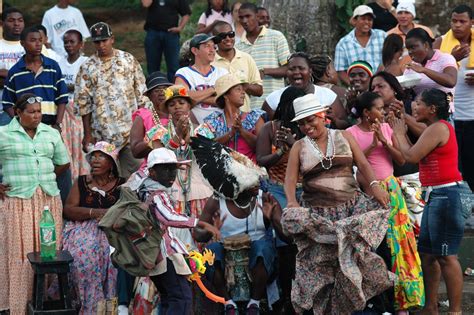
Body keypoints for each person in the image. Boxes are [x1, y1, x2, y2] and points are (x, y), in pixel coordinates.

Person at [282, 93, 393, 314]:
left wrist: (375, 186)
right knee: (324, 271)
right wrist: (292, 202)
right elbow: (290, 180)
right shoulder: (299, 147)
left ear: (323, 115)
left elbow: (362, 163)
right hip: (319, 218)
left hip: (350, 211)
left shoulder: (343, 136)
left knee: (355, 266)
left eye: (311, 119)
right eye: (302, 123)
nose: (307, 126)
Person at [392, 88, 472, 315]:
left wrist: (398, 133)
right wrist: (401, 122)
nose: (414, 106)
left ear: (432, 109)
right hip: (435, 195)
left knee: (446, 257)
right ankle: (430, 307)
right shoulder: (432, 128)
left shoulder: (438, 128)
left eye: (418, 103)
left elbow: (410, 157)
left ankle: (455, 311)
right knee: (428, 255)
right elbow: (413, 147)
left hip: (447, 196)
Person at [347, 92, 424, 312]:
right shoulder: (349, 133)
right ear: (365, 112)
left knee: (398, 246)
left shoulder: (387, 128)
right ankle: (378, 303)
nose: (383, 112)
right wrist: (371, 145)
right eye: (379, 108)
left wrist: (384, 141)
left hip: (391, 192)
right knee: (375, 249)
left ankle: (402, 303)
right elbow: (353, 162)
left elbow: (401, 159)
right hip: (366, 194)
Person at [190, 134, 282, 315]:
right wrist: (211, 230)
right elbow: (198, 235)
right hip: (227, 252)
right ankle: (228, 303)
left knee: (262, 247)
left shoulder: (265, 199)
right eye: (252, 181)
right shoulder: (217, 201)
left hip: (259, 256)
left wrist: (272, 219)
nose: (258, 184)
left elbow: (286, 235)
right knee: (211, 251)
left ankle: (254, 304)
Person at [127, 148, 221, 315]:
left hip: (155, 253)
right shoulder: (155, 193)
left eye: (173, 169)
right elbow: (168, 217)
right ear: (153, 172)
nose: (171, 174)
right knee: (181, 297)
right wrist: (201, 223)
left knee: (170, 296)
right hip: (164, 253)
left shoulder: (143, 187)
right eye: (166, 169)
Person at [0, 93, 70, 314]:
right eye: (31, 112)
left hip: (48, 201)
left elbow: (63, 163)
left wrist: (43, 179)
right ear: (18, 113)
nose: (37, 116)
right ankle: (18, 305)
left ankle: (45, 303)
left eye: (39, 111)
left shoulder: (50, 133)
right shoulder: (3, 134)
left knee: (47, 252)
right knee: (19, 252)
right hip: (17, 202)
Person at [255, 86, 306, 314]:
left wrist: (295, 144)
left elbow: (313, 160)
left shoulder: (307, 128)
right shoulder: (269, 128)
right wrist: (280, 151)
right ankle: (285, 296)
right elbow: (262, 159)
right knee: (285, 243)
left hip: (306, 190)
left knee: (304, 243)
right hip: (278, 189)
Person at [76, 22, 148, 179]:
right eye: (97, 42)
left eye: (104, 40)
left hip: (130, 132)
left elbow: (141, 94)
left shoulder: (128, 60)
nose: (101, 45)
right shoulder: (87, 67)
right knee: (107, 178)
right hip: (102, 134)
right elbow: (83, 103)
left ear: (112, 39)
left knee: (136, 176)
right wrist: (87, 134)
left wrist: (145, 126)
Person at [62, 141, 124, 313]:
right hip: (83, 228)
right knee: (85, 257)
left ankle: (113, 307)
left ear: (111, 163)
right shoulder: (82, 182)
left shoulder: (122, 184)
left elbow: (128, 211)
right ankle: (89, 306)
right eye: (93, 156)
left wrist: (111, 217)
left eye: (101, 156)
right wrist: (94, 212)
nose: (95, 160)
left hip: (113, 229)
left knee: (114, 259)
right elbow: (68, 209)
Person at [145, 85, 214, 216]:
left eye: (181, 103)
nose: (177, 107)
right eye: (172, 104)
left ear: (189, 106)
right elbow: (160, 161)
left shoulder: (202, 130)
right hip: (170, 189)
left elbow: (208, 158)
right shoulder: (159, 132)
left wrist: (190, 139)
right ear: (168, 110)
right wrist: (177, 136)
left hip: (200, 188)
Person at [2, 26, 68, 128]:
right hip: (25, 129)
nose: (38, 44)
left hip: (50, 126)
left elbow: (62, 97)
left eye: (40, 40)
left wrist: (58, 124)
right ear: (22, 43)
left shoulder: (53, 66)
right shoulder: (15, 72)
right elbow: (7, 103)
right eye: (33, 40)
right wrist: (19, 122)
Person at [236, 2, 290, 109]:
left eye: (248, 16)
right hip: (249, 107)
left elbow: (289, 69)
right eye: (241, 18)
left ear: (257, 17)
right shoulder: (237, 47)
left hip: (275, 105)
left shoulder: (276, 36)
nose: (244, 21)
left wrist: (264, 71)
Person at [262, 53, 340, 125]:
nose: (296, 72)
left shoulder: (328, 95)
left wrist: (334, 120)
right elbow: (265, 129)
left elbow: (345, 125)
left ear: (310, 71)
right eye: (292, 69)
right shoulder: (273, 99)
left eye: (301, 68)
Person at [204, 73, 265, 162]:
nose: (243, 92)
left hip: (251, 172)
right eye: (238, 89)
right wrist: (231, 133)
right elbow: (207, 148)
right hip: (222, 173)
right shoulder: (212, 121)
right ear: (225, 95)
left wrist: (242, 131)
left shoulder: (255, 117)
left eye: (243, 89)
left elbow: (263, 147)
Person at [446, 5, 474, 191]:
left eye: (462, 21)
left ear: (472, 23)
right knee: (457, 168)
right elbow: (431, 72)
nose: (457, 25)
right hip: (452, 117)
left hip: (473, 117)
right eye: (454, 21)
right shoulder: (442, 43)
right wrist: (450, 58)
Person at [175, 33, 228, 123]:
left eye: (214, 47)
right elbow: (180, 100)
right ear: (195, 50)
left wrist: (193, 98)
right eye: (207, 46)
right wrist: (213, 89)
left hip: (222, 126)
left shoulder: (223, 72)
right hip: (195, 127)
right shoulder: (183, 73)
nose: (212, 50)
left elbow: (227, 101)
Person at [58, 29, 89, 180]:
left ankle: (82, 180)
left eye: (72, 42)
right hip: (63, 113)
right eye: (66, 42)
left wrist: (67, 87)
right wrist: (73, 86)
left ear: (81, 44)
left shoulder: (87, 63)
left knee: (80, 149)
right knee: (67, 148)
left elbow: (87, 87)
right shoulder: (59, 63)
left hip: (80, 113)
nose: (68, 45)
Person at [212, 21, 262, 113]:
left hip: (244, 115)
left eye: (231, 34)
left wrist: (243, 85)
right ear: (215, 40)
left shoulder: (246, 58)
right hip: (218, 118)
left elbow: (259, 91)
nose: (228, 38)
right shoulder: (210, 62)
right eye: (223, 36)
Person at [335, 5, 387, 85]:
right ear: (355, 20)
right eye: (363, 19)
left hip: (382, 83)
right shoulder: (344, 43)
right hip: (358, 87)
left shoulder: (382, 36)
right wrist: (355, 85)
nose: (367, 22)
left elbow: (391, 58)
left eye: (370, 19)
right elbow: (340, 70)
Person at [130, 71, 173, 169]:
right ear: (149, 96)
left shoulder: (178, 111)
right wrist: (155, 140)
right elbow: (135, 151)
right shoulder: (143, 115)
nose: (162, 93)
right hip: (153, 168)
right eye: (157, 90)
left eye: (165, 89)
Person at [141, 0, 191, 82]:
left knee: (174, 66)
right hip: (153, 33)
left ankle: (174, 92)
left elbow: (186, 13)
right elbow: (146, 4)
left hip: (171, 34)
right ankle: (154, 90)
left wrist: (180, 27)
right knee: (152, 67)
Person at [404, 28, 457, 100]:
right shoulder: (411, 67)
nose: (410, 52)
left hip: (444, 109)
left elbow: (451, 81)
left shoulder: (445, 58)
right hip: (419, 110)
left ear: (426, 45)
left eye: (413, 47)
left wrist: (424, 70)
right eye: (408, 49)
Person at [0, 7, 25, 126]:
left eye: (20, 20)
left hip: (26, 109)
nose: (16, 24)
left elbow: (34, 75)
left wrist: (5, 74)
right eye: (11, 20)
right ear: (1, 23)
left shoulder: (32, 44)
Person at [310, 54, 349, 127]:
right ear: (328, 71)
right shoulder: (341, 92)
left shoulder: (308, 91)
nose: (336, 72)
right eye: (333, 68)